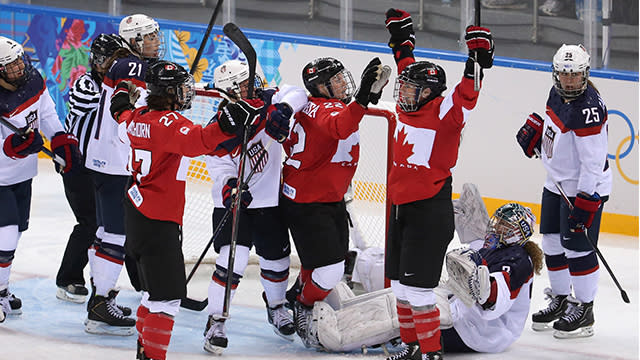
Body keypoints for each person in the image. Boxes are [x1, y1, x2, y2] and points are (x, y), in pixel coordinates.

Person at [113, 59, 291, 360]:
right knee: (167, 300)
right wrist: (228, 120)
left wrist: (120, 92)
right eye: (180, 89)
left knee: (152, 296)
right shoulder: (169, 123)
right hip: (159, 221)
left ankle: (144, 353)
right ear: (167, 92)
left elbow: (120, 112)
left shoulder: (136, 117)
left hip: (136, 213)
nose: (186, 94)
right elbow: (200, 143)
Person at [382, 8, 494, 360]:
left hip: (429, 212)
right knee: (400, 288)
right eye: (405, 88)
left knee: (418, 292)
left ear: (430, 93)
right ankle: (410, 346)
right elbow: (406, 67)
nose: (403, 94)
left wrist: (476, 59)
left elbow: (469, 92)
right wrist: (401, 40)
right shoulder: (411, 99)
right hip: (400, 209)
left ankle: (430, 353)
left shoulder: (446, 112)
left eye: (412, 90)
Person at [304, 197, 544, 356]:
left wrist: (480, 287)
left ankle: (337, 337)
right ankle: (345, 309)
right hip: (465, 313)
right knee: (403, 299)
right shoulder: (496, 248)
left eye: (504, 227)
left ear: (518, 233)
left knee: (408, 322)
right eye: (497, 223)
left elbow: (495, 300)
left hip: (485, 331)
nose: (497, 229)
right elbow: (476, 243)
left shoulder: (519, 260)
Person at [280, 55, 390, 349]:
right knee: (329, 271)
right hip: (307, 200)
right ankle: (303, 306)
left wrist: (369, 96)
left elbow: (345, 117)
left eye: (343, 77)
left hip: (324, 196)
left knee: (320, 264)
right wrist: (366, 96)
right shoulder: (321, 109)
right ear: (320, 87)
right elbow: (341, 126)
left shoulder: (327, 105)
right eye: (337, 80)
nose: (344, 83)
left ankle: (297, 294)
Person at [201, 59, 307, 354]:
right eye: (246, 84)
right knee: (232, 261)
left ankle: (276, 307)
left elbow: (298, 92)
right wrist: (231, 186)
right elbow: (220, 167)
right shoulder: (220, 125)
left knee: (276, 260)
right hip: (234, 202)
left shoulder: (270, 100)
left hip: (269, 200)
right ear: (232, 92)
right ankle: (216, 321)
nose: (254, 86)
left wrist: (284, 110)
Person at [516, 43, 610, 339]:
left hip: (580, 189)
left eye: (575, 74)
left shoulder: (589, 109)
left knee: (577, 249)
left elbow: (593, 163)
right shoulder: (556, 93)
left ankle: (585, 309)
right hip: (555, 182)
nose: (569, 80)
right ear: (555, 73)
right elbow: (555, 131)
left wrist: (586, 200)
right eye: (564, 74)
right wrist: (539, 145)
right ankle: (560, 299)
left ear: (585, 74)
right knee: (553, 245)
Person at [83, 14, 162, 336]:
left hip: (103, 160)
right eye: (150, 37)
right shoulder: (132, 67)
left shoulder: (126, 64)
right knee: (116, 235)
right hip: (116, 163)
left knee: (105, 232)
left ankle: (100, 296)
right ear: (135, 40)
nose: (157, 42)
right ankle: (100, 303)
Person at [0, 36, 81, 321]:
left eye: (20, 60)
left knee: (17, 232)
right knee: (6, 233)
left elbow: (46, 114)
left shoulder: (33, 80)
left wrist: (59, 140)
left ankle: (2, 288)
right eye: (11, 66)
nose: (20, 68)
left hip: (23, 175)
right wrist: (13, 147)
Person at [55, 34, 124, 303]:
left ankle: (103, 281)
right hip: (78, 165)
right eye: (106, 58)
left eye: (116, 58)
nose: (109, 63)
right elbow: (92, 106)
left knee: (111, 227)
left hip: (107, 167)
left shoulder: (121, 85)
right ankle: (68, 278)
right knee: (90, 222)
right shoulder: (85, 83)